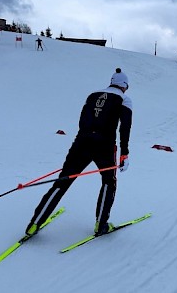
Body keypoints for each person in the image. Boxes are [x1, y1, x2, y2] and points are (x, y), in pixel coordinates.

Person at [25, 68, 132, 236]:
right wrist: (124, 153)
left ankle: (34, 223)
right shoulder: (124, 99)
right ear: (124, 85)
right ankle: (101, 225)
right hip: (104, 145)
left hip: (81, 142)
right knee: (108, 182)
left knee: (63, 181)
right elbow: (125, 127)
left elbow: (82, 120)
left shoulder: (92, 95)